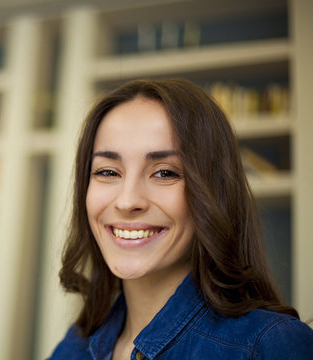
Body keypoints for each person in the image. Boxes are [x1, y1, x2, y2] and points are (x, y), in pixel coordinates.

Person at [49, 79, 313, 359]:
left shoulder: (270, 345)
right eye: (108, 172)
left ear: (212, 193)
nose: (127, 201)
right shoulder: (74, 347)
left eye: (165, 173)